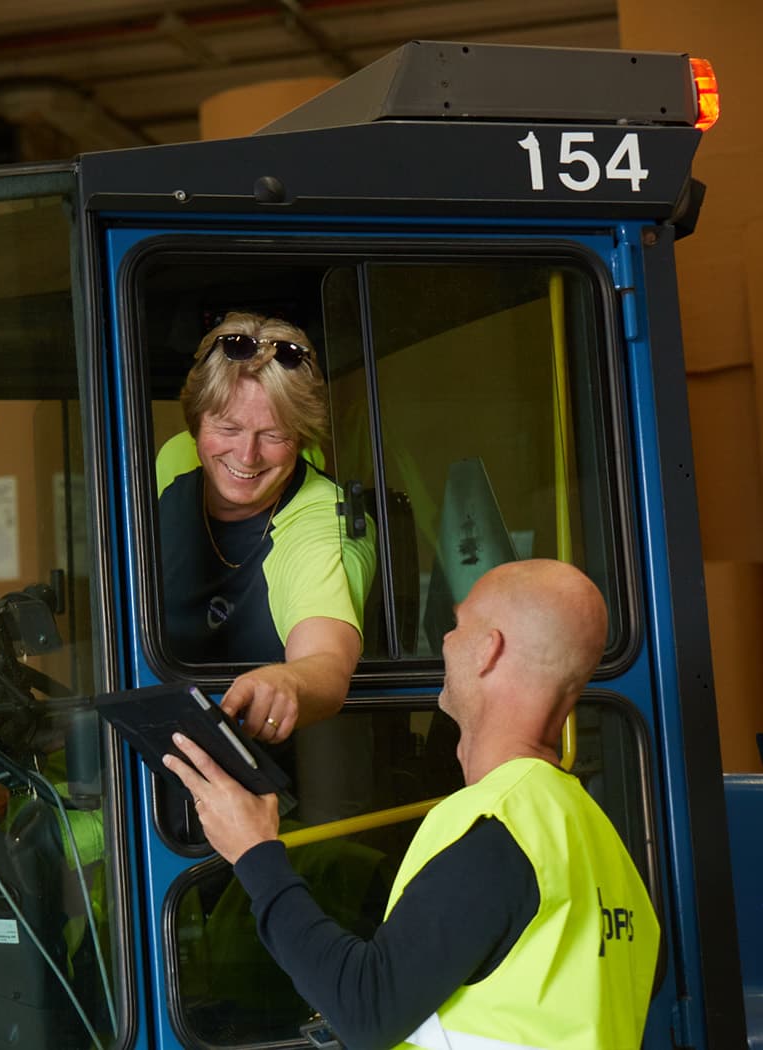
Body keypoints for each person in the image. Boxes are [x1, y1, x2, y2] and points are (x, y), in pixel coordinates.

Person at [163, 559, 660, 1050]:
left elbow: (366, 1008)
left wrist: (254, 853)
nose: (444, 641)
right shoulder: (597, 840)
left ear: (489, 651)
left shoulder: (497, 831)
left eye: (457, 624)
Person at [158, 311, 373, 742]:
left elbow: (327, 661)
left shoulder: (320, 519)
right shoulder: (172, 472)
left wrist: (289, 683)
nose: (247, 454)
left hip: (274, 763)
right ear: (196, 425)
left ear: (303, 437)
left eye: (274, 435)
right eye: (228, 427)